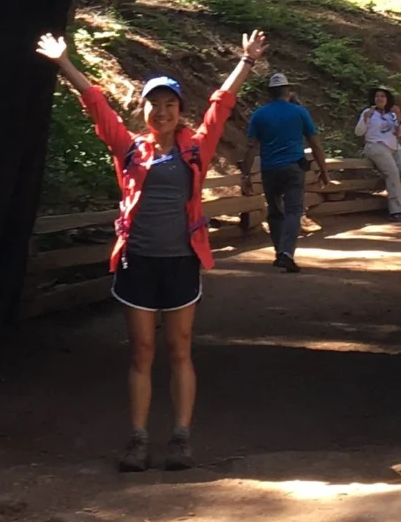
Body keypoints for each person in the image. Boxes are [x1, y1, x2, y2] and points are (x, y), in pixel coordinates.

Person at [37, 27, 267, 471]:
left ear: (180, 111)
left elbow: (221, 104)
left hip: (181, 261)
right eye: (154, 104)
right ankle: (138, 438)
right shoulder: (129, 149)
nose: (161, 112)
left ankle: (181, 436)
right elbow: (96, 104)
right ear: (143, 109)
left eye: (170, 105)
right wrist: (64, 62)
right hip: (137, 261)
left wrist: (247, 61)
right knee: (142, 351)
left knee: (180, 349)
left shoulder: (197, 148)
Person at [245, 71, 329, 272]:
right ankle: (286, 253)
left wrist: (245, 175)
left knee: (275, 212)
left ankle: (279, 252)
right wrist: (324, 170)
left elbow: (250, 147)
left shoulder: (259, 115)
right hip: (293, 168)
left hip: (269, 170)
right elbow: (315, 144)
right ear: (288, 91)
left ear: (270, 93)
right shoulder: (300, 112)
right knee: (293, 210)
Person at [357, 86, 401, 216]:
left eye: (383, 96)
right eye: (377, 96)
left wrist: (399, 117)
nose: (380, 98)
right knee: (393, 173)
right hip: (375, 146)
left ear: (388, 99)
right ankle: (398, 210)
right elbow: (358, 132)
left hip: (395, 147)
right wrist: (365, 119)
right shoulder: (368, 112)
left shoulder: (392, 114)